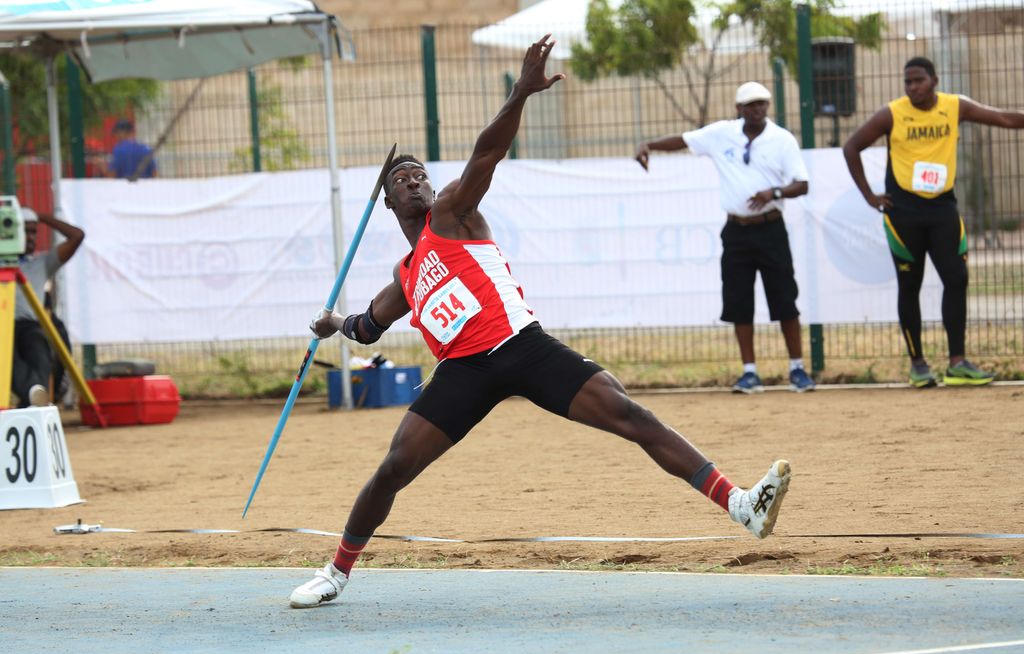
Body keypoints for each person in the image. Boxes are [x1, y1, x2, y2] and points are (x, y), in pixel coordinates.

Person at [288, 37, 792, 609]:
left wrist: (520, 92)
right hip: (462, 373)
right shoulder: (405, 275)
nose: (413, 180)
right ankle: (336, 571)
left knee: (629, 413)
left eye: (419, 173)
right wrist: (334, 322)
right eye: (400, 179)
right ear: (386, 202)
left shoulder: (453, 214)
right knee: (394, 468)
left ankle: (740, 504)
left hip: (522, 346)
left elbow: (487, 152)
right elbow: (368, 327)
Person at [843, 57, 1024, 388]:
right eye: (907, 82)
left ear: (934, 80)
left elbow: (1001, 117)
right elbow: (852, 146)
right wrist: (870, 196)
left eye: (918, 81)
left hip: (942, 210)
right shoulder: (892, 113)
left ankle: (957, 363)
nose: (912, 87)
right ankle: (918, 365)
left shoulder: (955, 107)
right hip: (904, 214)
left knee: (956, 278)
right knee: (909, 286)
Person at [635, 82, 814, 394]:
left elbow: (802, 184)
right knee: (738, 300)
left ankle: (797, 368)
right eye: (750, 104)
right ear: (738, 109)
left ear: (768, 106)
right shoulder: (722, 134)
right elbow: (684, 140)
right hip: (736, 231)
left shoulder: (782, 140)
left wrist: (773, 192)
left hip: (771, 227)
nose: (757, 109)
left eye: (762, 103)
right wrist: (648, 144)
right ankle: (749, 372)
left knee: (785, 297)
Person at [11, 207, 85, 408]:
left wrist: (42, 216)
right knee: (12, 364)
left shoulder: (41, 263)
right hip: (3, 327)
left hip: (28, 326)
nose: (30, 237)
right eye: (24, 230)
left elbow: (77, 236)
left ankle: (33, 403)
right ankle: (33, 402)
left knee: (40, 352)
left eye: (34, 231)